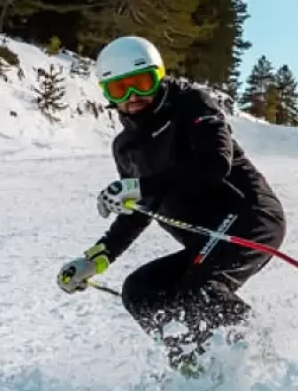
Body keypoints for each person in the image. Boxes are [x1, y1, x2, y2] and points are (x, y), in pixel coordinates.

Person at [57, 35, 286, 369]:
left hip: (249, 218)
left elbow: (214, 165)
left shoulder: (191, 104)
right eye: (119, 91)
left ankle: (264, 365)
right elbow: (140, 210)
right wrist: (96, 258)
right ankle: (193, 368)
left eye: (141, 84)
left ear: (159, 76)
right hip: (206, 238)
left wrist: (140, 186)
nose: (132, 98)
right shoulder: (127, 147)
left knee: (200, 290)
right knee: (140, 290)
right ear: (106, 94)